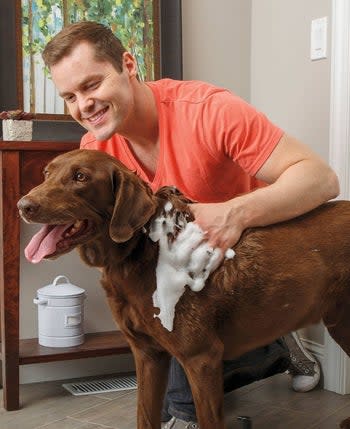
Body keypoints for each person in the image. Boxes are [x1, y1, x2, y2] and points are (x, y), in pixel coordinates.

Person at [42, 21, 339, 429]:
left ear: (128, 64)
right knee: (165, 363)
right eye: (70, 97)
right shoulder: (94, 150)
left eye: (92, 85)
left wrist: (233, 213)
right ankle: (271, 350)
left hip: (248, 265)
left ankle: (270, 343)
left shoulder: (209, 110)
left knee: (185, 396)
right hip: (183, 274)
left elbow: (321, 179)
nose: (84, 105)